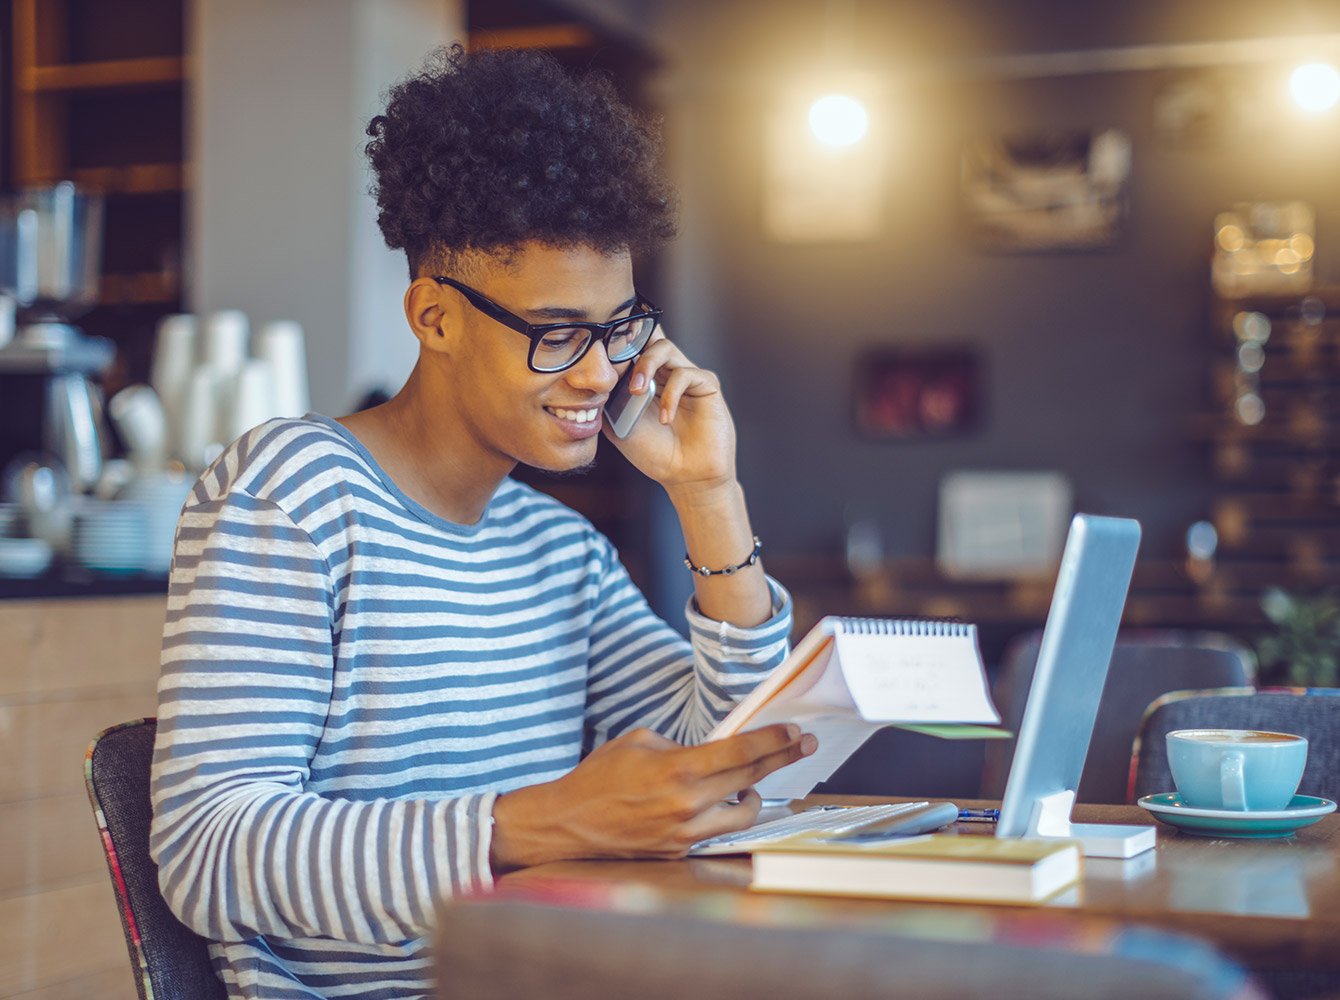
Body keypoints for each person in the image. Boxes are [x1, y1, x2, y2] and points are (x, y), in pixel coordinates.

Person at [149, 45, 814, 999]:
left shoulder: (558, 550)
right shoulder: (292, 492)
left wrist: (709, 497)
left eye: (618, 328)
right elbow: (209, 848)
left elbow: (736, 763)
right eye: (555, 333)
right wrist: (540, 822)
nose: (597, 372)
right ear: (434, 318)